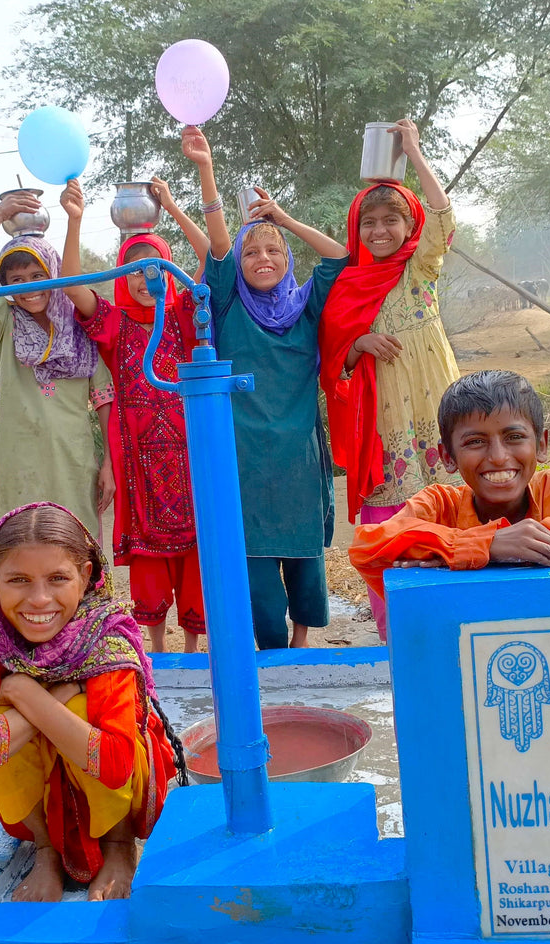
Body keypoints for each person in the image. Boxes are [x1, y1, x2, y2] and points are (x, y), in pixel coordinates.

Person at [0, 503, 187, 902]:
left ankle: (118, 846)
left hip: (123, 795)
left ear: (86, 575)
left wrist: (26, 694)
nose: (39, 599)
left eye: (58, 578)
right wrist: (52, 698)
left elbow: (115, 766)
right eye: (18, 580)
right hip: (38, 801)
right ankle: (46, 850)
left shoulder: (106, 640)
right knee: (0, 716)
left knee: (76, 710)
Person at [183, 124, 349, 649]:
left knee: (304, 556)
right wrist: (206, 169)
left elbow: (340, 257)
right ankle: (271, 652)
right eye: (253, 252)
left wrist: (283, 219)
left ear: (286, 259)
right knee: (253, 561)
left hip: (299, 453)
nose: (263, 260)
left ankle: (302, 643)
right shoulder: (227, 303)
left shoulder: (305, 306)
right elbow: (218, 248)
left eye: (273, 251)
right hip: (244, 456)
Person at [319, 118, 463, 639]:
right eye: (369, 223)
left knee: (451, 513)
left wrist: (416, 153)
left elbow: (445, 217)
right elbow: (333, 360)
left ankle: (451, 623)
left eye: (392, 220)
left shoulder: (420, 269)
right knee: (389, 528)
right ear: (356, 230)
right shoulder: (350, 284)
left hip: (438, 411)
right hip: (383, 425)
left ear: (410, 225)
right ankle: (393, 634)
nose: (380, 231)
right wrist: (358, 344)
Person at [60, 176, 209, 654]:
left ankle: (192, 649)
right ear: (121, 277)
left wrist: (175, 207)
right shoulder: (114, 324)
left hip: (190, 459)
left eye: (156, 268)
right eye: (135, 269)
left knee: (195, 553)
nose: (146, 279)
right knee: (148, 560)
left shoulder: (185, 313)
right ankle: (158, 650)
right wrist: (75, 221)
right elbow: (71, 285)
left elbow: (212, 261)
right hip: (138, 463)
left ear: (168, 272)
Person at [349, 370, 550, 599]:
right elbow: (367, 547)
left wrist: (530, 542)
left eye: (514, 437)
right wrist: (486, 545)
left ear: (541, 445)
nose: (497, 456)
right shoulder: (440, 505)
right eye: (475, 442)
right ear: (448, 456)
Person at [0, 192, 115, 538]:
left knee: (77, 544)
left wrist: (109, 461)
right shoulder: (5, 321)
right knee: (23, 543)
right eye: (16, 281)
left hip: (74, 462)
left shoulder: (82, 327)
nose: (29, 288)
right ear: (5, 286)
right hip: (19, 462)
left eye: (39, 276)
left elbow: (105, 399)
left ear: (55, 274)